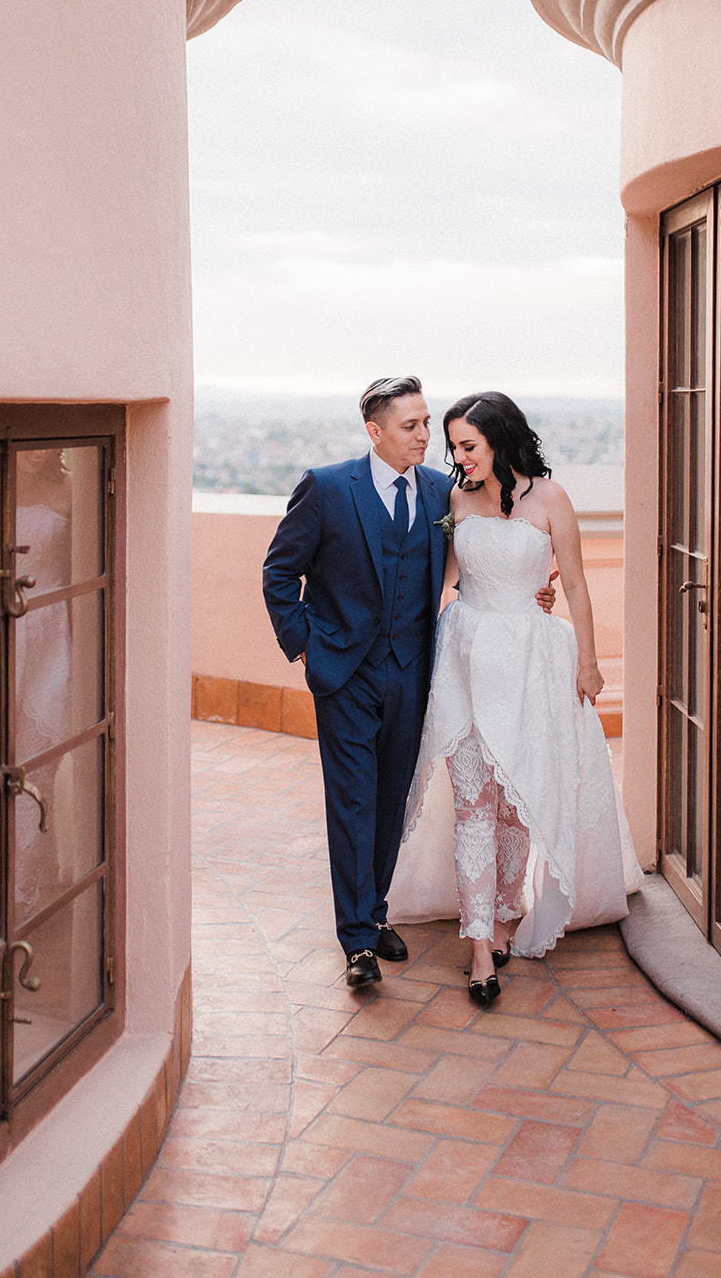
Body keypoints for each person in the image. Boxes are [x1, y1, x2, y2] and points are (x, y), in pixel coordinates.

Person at [262, 377, 555, 988]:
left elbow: (477, 562)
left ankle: (373, 914)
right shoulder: (325, 488)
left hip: (416, 672)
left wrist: (534, 591)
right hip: (345, 675)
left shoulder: (441, 492)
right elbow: (279, 573)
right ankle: (356, 943)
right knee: (352, 803)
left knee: (393, 801)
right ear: (375, 432)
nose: (427, 436)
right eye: (412, 426)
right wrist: (308, 649)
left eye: (427, 424)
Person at [396, 392, 642, 1005]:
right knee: (474, 807)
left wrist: (587, 662)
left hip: (534, 665)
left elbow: (577, 583)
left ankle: (507, 914)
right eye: (453, 446)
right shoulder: (453, 500)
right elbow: (445, 576)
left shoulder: (552, 499)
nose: (458, 457)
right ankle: (480, 945)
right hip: (467, 660)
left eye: (468, 445)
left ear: (500, 440)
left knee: (516, 802)